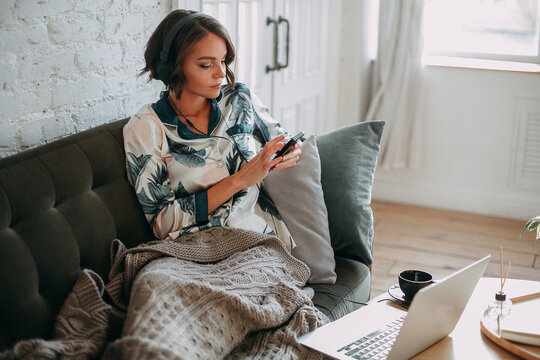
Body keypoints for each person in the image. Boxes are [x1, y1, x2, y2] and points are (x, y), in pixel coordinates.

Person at [123, 9, 302, 252]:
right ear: (171, 68)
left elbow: (281, 138)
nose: (220, 73)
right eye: (206, 65)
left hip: (259, 238)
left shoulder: (239, 99)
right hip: (196, 248)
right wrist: (239, 180)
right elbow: (162, 222)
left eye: (224, 61)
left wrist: (292, 150)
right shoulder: (145, 127)